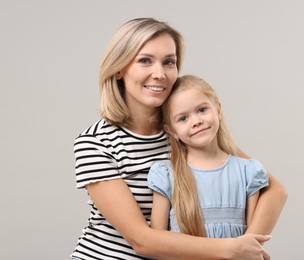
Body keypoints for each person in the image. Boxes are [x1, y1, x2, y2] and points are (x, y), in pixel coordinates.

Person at [72, 17, 287, 260]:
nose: (159, 74)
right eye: (145, 61)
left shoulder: (187, 130)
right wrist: (231, 250)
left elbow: (275, 191)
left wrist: (247, 250)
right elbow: (142, 241)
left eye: (169, 62)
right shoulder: (96, 143)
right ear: (119, 68)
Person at [148, 75, 270, 239]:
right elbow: (158, 243)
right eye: (183, 118)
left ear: (218, 110)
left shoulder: (248, 171)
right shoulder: (167, 175)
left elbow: (251, 243)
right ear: (172, 131)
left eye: (202, 110)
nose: (196, 121)